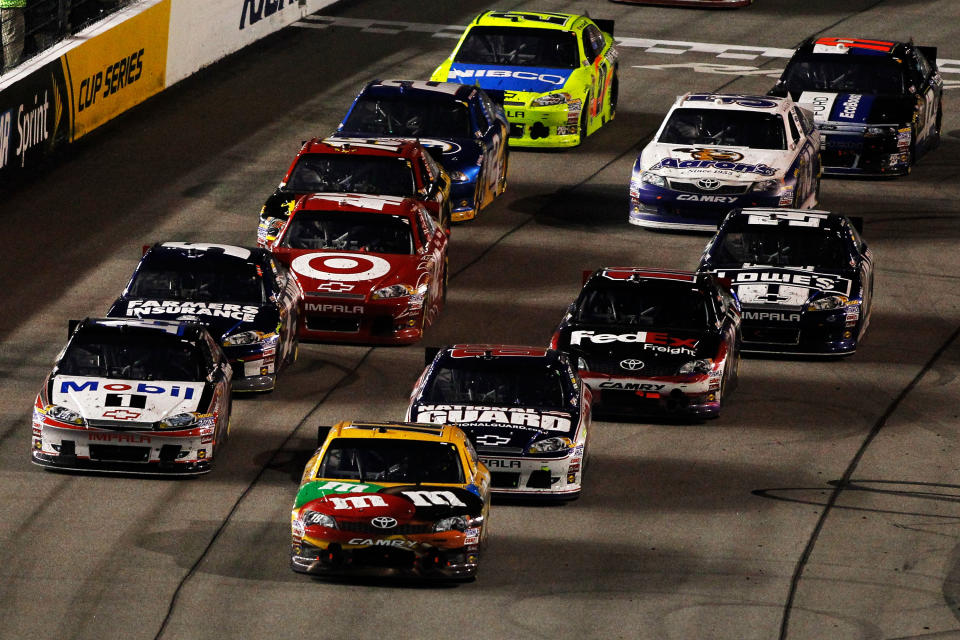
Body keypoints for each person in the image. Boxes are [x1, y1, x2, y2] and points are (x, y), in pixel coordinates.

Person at [1, 0, 26, 73]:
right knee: (12, 41)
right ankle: (11, 70)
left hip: (13, 6)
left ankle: (12, 68)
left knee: (15, 40)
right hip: (10, 6)